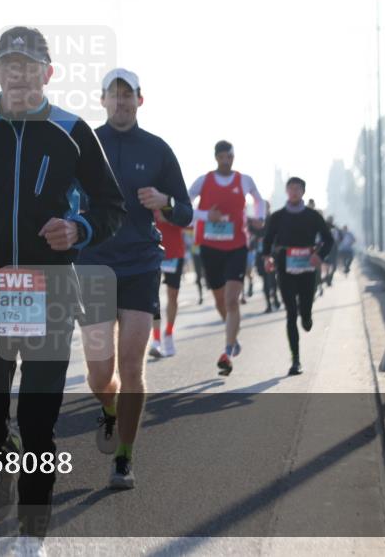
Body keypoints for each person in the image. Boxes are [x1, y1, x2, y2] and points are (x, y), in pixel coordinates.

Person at [0, 27, 124, 554]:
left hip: (51, 291)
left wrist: (79, 228)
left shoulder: (73, 131)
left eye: (29, 67)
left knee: (39, 420)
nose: (19, 75)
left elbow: (111, 206)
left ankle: (33, 536)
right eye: (9, 65)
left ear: (48, 74)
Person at [76, 69, 192, 490]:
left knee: (132, 364)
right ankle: (108, 409)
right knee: (98, 374)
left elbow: (186, 212)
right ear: (103, 100)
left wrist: (166, 201)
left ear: (140, 101)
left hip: (142, 263)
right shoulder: (85, 145)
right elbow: (61, 197)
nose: (121, 102)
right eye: (114, 95)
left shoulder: (157, 150)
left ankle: (124, 457)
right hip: (93, 266)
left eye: (128, 95)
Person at [188, 141, 265, 376]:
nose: (225, 160)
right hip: (210, 248)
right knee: (221, 301)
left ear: (233, 156)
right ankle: (233, 337)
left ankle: (228, 351)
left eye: (229, 156)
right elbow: (183, 205)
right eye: (221, 157)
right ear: (215, 158)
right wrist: (205, 215)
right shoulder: (203, 180)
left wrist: (259, 217)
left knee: (232, 300)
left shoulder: (244, 180)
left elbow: (259, 200)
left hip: (236, 246)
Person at [262, 177, 334, 375]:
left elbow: (329, 239)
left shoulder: (312, 216)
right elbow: (267, 240)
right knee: (291, 313)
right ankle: (296, 360)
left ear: (303, 191)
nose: (294, 192)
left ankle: (308, 317)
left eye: (297, 189)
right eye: (291, 188)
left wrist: (319, 255)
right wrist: (267, 258)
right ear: (286, 191)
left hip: (308, 268)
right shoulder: (278, 217)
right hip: (285, 267)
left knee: (305, 314)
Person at [150, 210, 187, 359]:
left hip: (174, 253)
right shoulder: (146, 193)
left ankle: (169, 333)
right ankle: (156, 339)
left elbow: (188, 219)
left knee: (173, 296)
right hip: (153, 253)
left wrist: (170, 217)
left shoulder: (174, 196)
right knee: (154, 298)